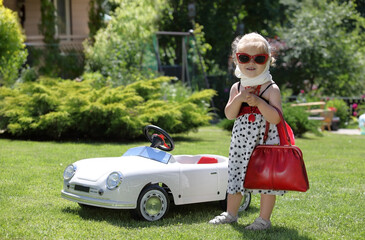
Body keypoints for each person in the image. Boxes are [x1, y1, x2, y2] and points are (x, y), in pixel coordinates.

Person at [209, 32, 286, 230]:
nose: (251, 63)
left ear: (268, 60)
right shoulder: (237, 87)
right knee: (235, 175)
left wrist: (260, 102)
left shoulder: (270, 88)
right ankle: (231, 213)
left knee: (265, 181)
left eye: (258, 59)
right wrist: (239, 99)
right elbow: (229, 114)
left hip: (264, 143)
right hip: (241, 143)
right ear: (237, 59)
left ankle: (263, 220)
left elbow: (276, 118)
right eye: (244, 58)